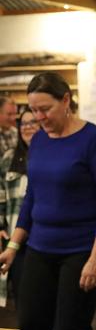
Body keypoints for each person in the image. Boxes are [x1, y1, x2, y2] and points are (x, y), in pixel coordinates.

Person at [0, 72, 96, 330]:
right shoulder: (40, 141)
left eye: (45, 109)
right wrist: (13, 246)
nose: (39, 118)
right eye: (33, 110)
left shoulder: (94, 139)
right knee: (32, 325)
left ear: (66, 100)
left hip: (82, 248)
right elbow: (33, 196)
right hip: (40, 246)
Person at [0, 110, 40, 308]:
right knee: (24, 301)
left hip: (43, 236)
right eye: (23, 124)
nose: (28, 127)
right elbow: (0, 194)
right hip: (16, 239)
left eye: (33, 122)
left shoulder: (50, 155)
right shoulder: (8, 158)